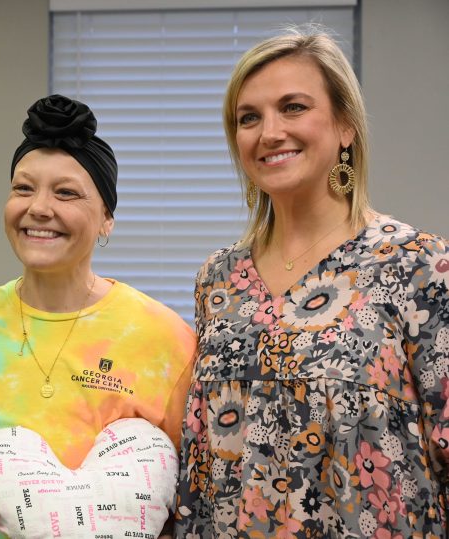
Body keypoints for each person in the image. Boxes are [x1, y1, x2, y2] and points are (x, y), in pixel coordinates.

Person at [174, 28, 449, 537]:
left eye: (293, 107)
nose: (269, 132)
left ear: (346, 125)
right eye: (248, 118)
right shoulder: (218, 279)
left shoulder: (416, 264)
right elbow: (201, 459)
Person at [0, 94, 197, 538]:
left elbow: (199, 497)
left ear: (107, 217)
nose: (39, 208)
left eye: (66, 192)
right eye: (23, 188)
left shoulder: (166, 341)